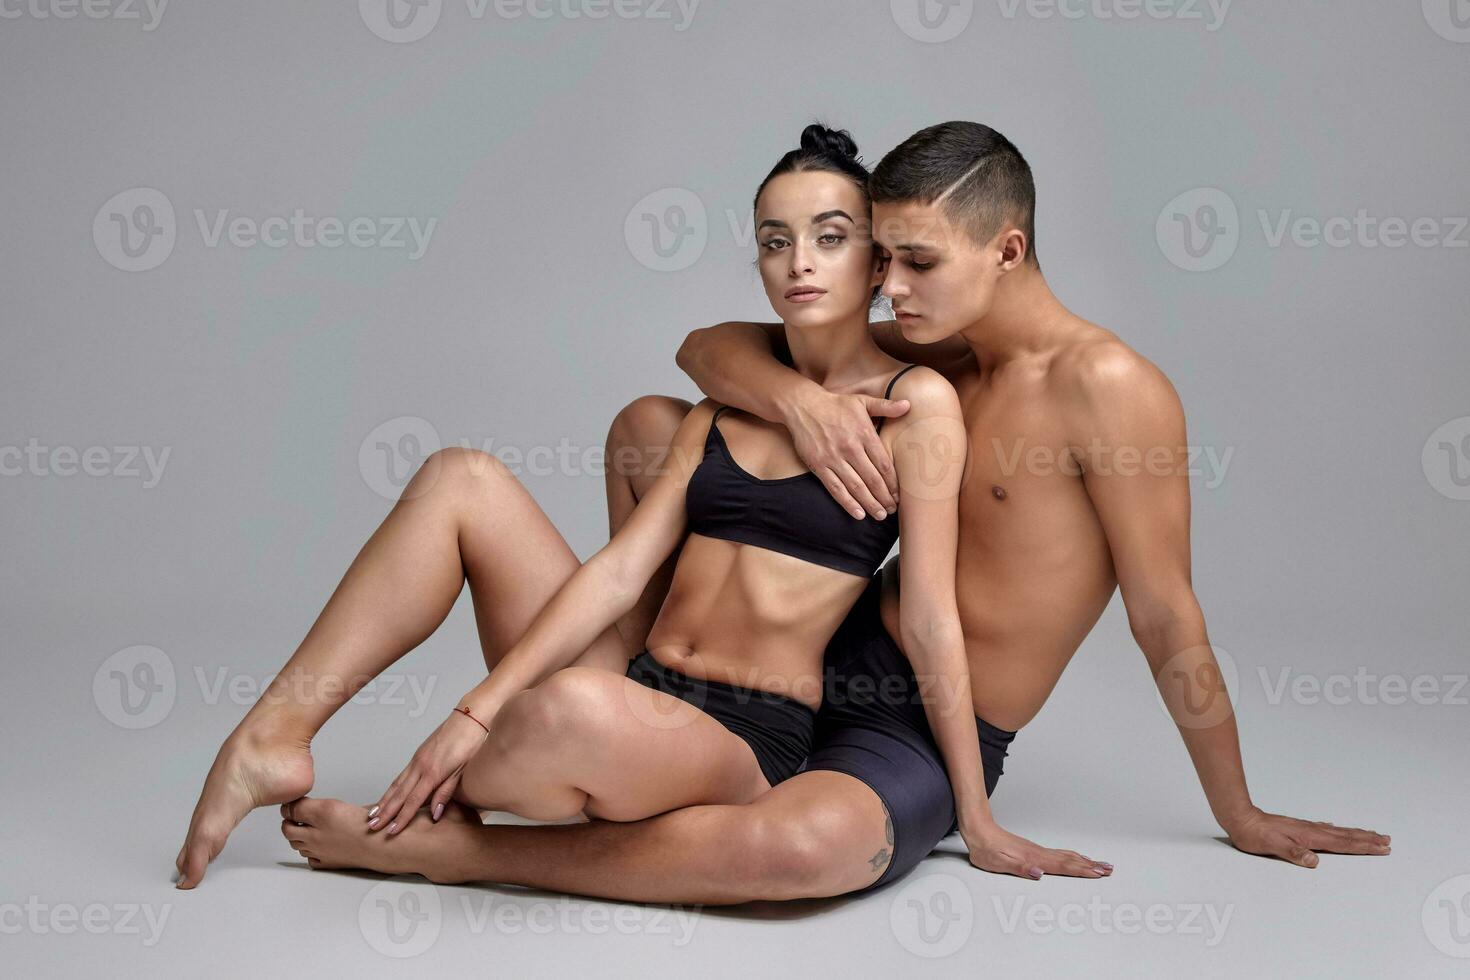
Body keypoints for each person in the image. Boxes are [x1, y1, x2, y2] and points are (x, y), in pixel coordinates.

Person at [263, 121, 1388, 901]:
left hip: (917, 722)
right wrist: (801, 402)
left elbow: (1166, 616)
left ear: (1008, 248)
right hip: (803, 667)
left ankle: (464, 856)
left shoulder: (1108, 387)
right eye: (880, 257)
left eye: (914, 261)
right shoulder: (926, 347)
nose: (887, 289)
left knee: (808, 855)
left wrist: (1237, 809)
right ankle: (633, 703)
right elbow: (706, 349)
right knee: (655, 423)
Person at [180, 124, 1086, 890]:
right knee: (461, 478)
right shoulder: (728, 402)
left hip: (745, 732)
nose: (799, 263)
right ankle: (273, 736)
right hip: (639, 683)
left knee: (568, 710)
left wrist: (978, 815)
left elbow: (930, 616)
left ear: (876, 257)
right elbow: (619, 572)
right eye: (775, 241)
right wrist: (478, 706)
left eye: (831, 236)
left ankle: (454, 841)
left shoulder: (914, 403)